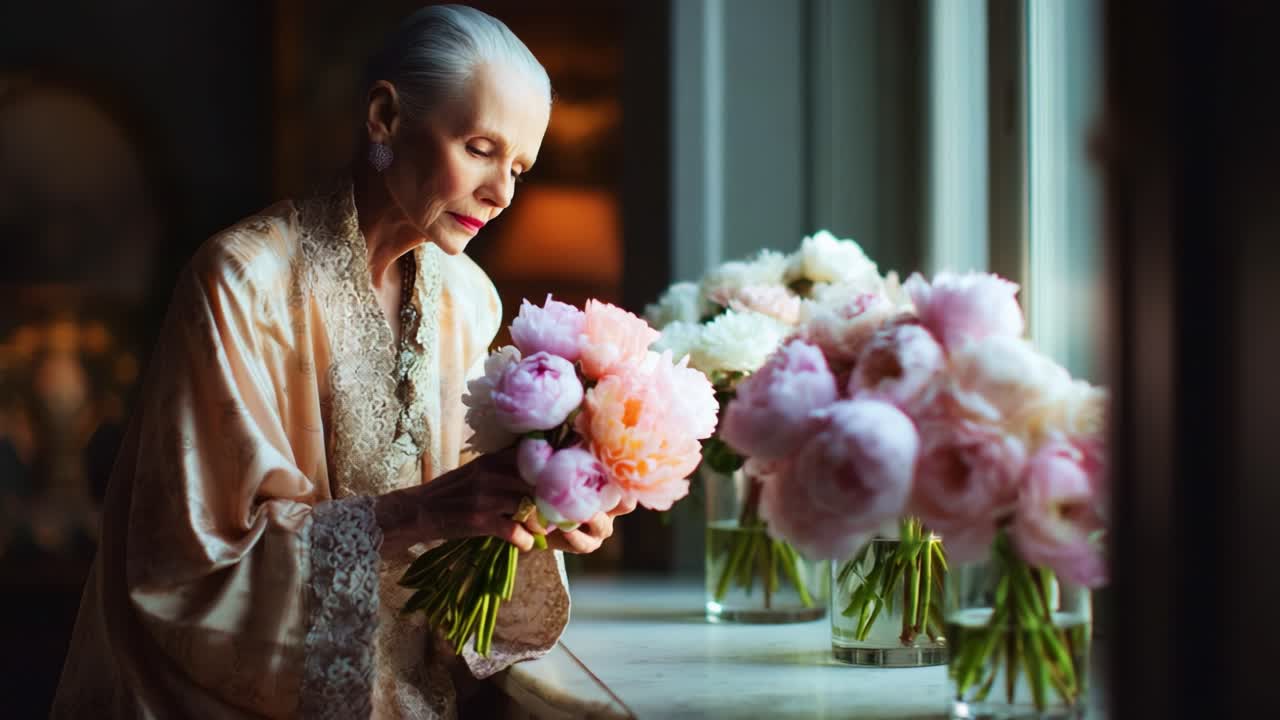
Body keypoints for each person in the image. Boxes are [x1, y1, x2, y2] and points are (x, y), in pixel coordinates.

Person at [51, 5, 631, 718]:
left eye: (518, 167)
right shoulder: (241, 282)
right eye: (480, 148)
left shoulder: (471, 301)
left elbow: (457, 566)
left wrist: (536, 513)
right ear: (385, 116)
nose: (503, 193)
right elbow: (185, 570)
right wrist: (414, 512)